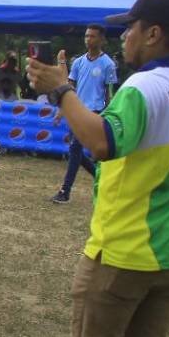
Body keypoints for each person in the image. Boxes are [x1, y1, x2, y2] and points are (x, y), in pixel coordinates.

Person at [28, 0, 169, 337]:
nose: (123, 37)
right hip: (167, 252)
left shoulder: (144, 88)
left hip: (124, 246)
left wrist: (62, 90)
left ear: (153, 34)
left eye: (129, 28)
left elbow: (100, 141)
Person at [52, 25, 118, 203]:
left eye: (93, 36)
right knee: (76, 151)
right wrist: (62, 110)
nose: (88, 39)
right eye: (87, 36)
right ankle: (99, 176)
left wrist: (108, 114)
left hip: (94, 111)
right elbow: (69, 88)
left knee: (75, 148)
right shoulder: (79, 62)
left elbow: (109, 93)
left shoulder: (108, 64)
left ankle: (65, 191)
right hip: (76, 111)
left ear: (102, 39)